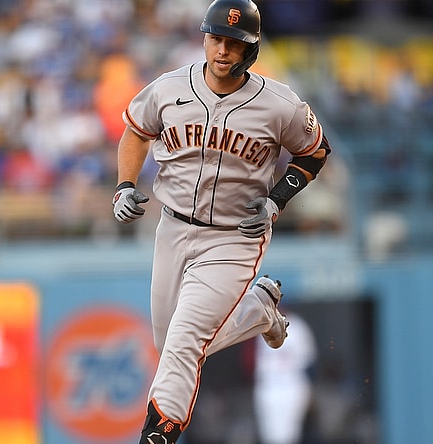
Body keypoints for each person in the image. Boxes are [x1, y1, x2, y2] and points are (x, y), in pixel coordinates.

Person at [110, 1, 332, 442]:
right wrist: (123, 185)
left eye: (234, 43)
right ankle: (258, 310)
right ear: (204, 37)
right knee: (169, 343)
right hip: (172, 227)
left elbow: (316, 151)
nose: (223, 50)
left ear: (251, 49)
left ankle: (160, 432)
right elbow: (136, 131)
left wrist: (277, 199)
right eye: (216, 39)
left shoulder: (279, 104)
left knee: (186, 337)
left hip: (235, 237)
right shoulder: (170, 87)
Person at [253, 311, 318, 444]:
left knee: (289, 435)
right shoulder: (262, 326)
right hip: (268, 386)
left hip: (291, 385)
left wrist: (310, 390)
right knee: (270, 436)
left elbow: (309, 363)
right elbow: (251, 364)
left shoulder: (298, 327)